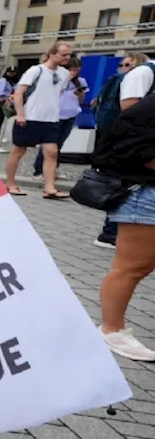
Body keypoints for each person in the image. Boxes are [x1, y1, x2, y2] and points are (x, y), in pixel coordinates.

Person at [94, 55, 155, 361]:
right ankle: (111, 329)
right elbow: (123, 142)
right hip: (146, 192)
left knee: (138, 266)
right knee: (133, 267)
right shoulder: (146, 92)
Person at [93, 53, 150, 248]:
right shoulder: (142, 74)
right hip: (133, 146)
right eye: (122, 64)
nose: (123, 68)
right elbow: (130, 112)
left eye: (126, 64)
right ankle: (109, 233)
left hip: (133, 144)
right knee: (125, 186)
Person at [5, 41, 74, 199]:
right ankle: (10, 183)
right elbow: (19, 92)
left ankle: (49, 187)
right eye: (64, 55)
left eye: (69, 55)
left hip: (51, 118)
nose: (67, 58)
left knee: (52, 152)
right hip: (30, 116)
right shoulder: (36, 70)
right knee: (19, 150)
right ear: (52, 53)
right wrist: (21, 114)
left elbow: (59, 92)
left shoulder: (64, 73)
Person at [33, 57, 86, 177]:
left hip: (71, 114)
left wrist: (80, 94)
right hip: (55, 115)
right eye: (72, 70)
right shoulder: (57, 80)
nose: (74, 73)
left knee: (59, 144)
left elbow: (81, 100)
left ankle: (52, 169)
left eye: (77, 71)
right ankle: (39, 169)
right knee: (49, 143)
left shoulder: (80, 81)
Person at [0, 67, 16, 145]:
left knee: (3, 118)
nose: (11, 74)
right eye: (10, 72)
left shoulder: (14, 81)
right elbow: (0, 92)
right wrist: (9, 95)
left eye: (13, 72)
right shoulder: (3, 80)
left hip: (9, 100)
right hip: (1, 100)